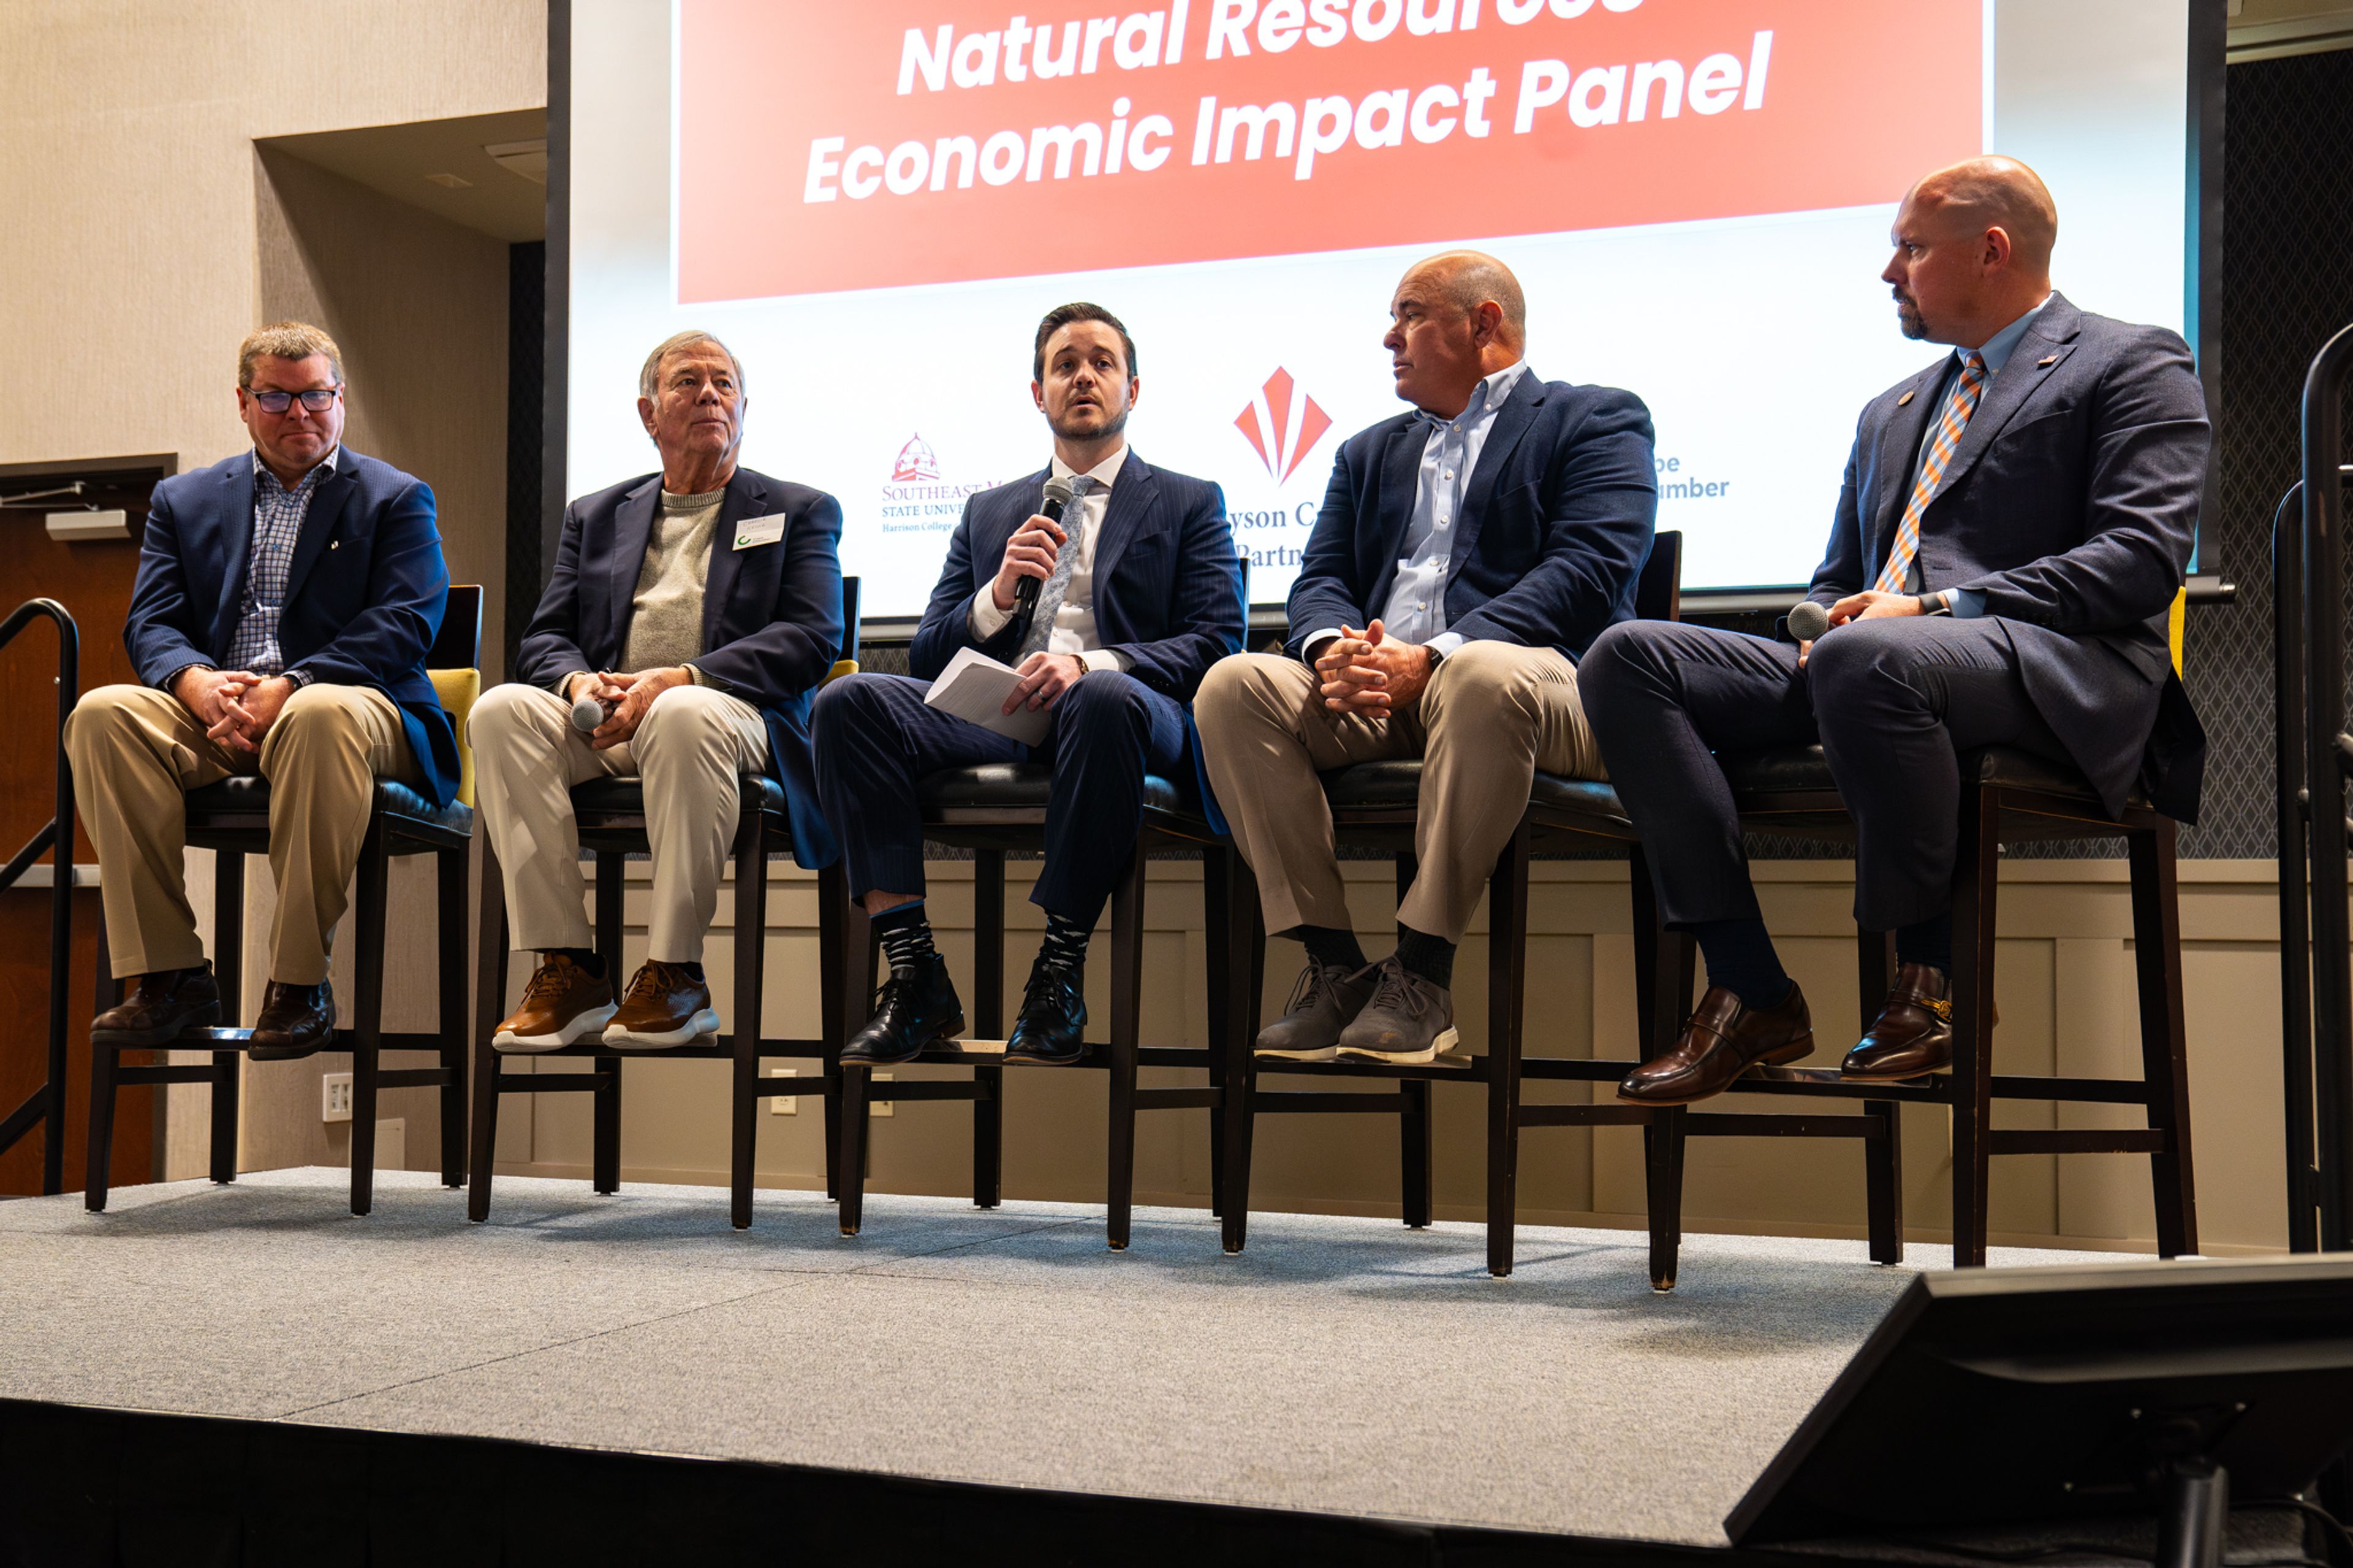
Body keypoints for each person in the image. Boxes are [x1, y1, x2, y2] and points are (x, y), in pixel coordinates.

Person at [1586, 156, 2209, 1105]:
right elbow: (1842, 576)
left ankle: (1934, 985)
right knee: (1630, 655)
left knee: (1872, 653)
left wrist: (1927, 610)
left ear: (1991, 250)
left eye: (1910, 250)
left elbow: (2139, 558)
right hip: (1873, 664)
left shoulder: (2129, 358)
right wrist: (1820, 619)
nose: (1890, 273)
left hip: (2054, 664)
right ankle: (1752, 988)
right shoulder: (1893, 408)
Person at [1194, 251, 1657, 1066]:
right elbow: (1323, 577)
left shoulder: (1595, 419)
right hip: (1384, 692)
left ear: (1483, 323)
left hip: (1543, 690)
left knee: (1480, 673)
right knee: (1235, 684)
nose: (1389, 337)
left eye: (1409, 314)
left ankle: (1423, 972)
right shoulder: (1369, 451)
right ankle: (1336, 966)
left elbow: (1588, 572)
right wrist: (1334, 648)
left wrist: (1435, 656)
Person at [816, 302, 1243, 1066]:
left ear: (1133, 390)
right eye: (1065, 364)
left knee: (1100, 697)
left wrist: (1093, 664)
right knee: (849, 701)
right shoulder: (990, 510)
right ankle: (914, 974)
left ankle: (1059, 972)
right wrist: (997, 593)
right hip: (1005, 712)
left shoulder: (1188, 501)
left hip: (1130, 716)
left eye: (1102, 363)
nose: (1083, 376)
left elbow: (1216, 643)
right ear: (1038, 392)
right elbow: (926, 655)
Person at [66, 321, 459, 1060]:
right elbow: (150, 621)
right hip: (220, 712)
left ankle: (299, 984)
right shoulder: (183, 501)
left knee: (315, 714)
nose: (300, 414)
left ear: (340, 398)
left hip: (352, 704)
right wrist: (195, 682)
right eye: (277, 398)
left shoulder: (395, 498)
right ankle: (171, 974)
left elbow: (408, 623)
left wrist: (294, 682)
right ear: (243, 404)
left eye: (316, 396)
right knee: (102, 713)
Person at [472, 331, 843, 1051]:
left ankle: (677, 973)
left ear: (743, 406)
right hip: (611, 723)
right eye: (688, 383)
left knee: (680, 711)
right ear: (649, 414)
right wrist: (580, 680)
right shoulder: (597, 514)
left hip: (732, 721)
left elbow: (811, 637)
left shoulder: (800, 509)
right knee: (500, 710)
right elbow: (543, 638)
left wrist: (679, 677)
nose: (710, 394)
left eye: (724, 383)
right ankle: (568, 967)